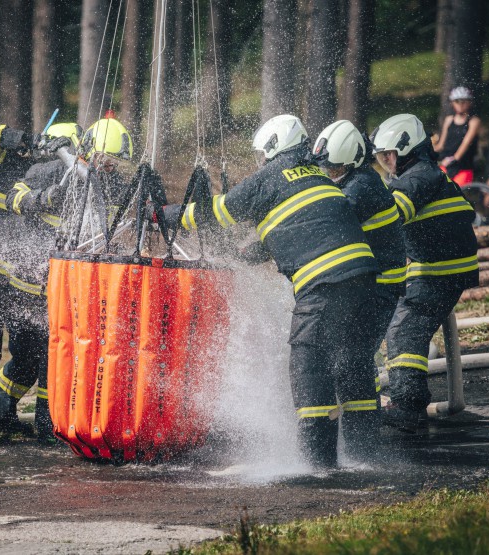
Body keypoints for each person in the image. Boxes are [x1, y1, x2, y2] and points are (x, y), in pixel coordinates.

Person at [159, 114, 380, 469]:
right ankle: (365, 455)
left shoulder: (270, 177)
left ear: (274, 147)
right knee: (350, 363)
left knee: (309, 363)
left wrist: (166, 215)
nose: (260, 161)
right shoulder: (315, 175)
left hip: (324, 284)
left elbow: (219, 211)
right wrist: (244, 255)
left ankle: (317, 465)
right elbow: (293, 226)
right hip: (365, 282)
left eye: (262, 153)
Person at [0, 121, 82, 445]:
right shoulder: (6, 165)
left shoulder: (52, 176)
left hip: (20, 283)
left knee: (30, 356)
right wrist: (25, 138)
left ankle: (6, 413)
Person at [373, 113, 478, 431]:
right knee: (398, 323)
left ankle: (408, 405)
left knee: (405, 329)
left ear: (402, 149)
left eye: (386, 156)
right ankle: (403, 399)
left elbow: (391, 217)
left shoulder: (417, 177)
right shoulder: (422, 173)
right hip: (435, 267)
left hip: (438, 271)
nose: (385, 163)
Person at [312, 120, 407, 393]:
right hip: (365, 285)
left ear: (353, 161)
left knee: (355, 356)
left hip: (380, 287)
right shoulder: (352, 179)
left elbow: (328, 221)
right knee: (349, 355)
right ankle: (362, 413)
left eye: (335, 169)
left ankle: (365, 421)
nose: (329, 174)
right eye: (325, 168)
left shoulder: (361, 186)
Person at [434, 86, 481, 186]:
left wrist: (454, 158)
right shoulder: (449, 120)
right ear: (452, 103)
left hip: (463, 166)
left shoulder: (474, 121)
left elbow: (466, 143)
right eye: (457, 101)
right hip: (444, 164)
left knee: (458, 194)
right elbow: (441, 145)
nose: (460, 104)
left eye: (464, 101)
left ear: (469, 102)